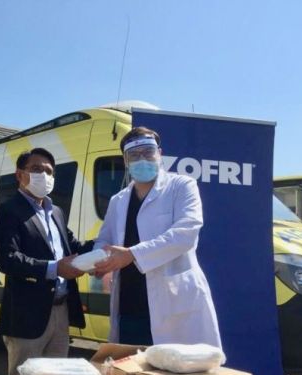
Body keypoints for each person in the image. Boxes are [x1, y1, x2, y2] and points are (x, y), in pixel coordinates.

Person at [93, 126, 222, 348]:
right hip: (129, 303)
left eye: (148, 152)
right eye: (134, 155)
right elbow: (104, 240)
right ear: (125, 161)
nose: (142, 159)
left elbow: (186, 234)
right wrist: (97, 259)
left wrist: (132, 254)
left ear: (160, 154)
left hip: (173, 304)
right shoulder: (118, 200)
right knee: (131, 365)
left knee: (173, 366)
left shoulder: (182, 186)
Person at [0, 148, 93, 375]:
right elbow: (7, 259)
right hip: (27, 316)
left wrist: (103, 247)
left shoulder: (56, 211)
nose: (44, 176)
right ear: (19, 175)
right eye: (36, 169)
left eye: (49, 171)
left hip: (61, 310)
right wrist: (55, 268)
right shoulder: (8, 210)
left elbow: (73, 246)